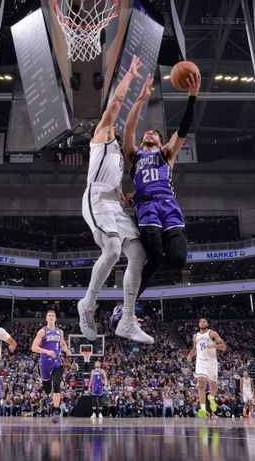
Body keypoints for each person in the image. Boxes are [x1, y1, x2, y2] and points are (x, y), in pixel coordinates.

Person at [77, 55, 153, 345]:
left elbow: (119, 194)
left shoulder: (119, 157)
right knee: (110, 250)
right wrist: (131, 77)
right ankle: (87, 305)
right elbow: (115, 104)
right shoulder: (101, 136)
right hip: (95, 197)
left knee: (138, 254)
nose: (116, 125)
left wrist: (127, 201)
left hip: (112, 203)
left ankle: (127, 320)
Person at [121, 67, 201, 299]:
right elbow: (128, 129)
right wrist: (140, 99)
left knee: (176, 259)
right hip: (146, 208)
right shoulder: (133, 156)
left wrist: (192, 98)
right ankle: (129, 303)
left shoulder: (166, 154)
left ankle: (139, 285)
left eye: (154, 133)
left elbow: (184, 129)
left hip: (168, 205)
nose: (148, 133)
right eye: (146, 133)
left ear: (160, 140)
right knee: (155, 256)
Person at [31, 310, 72, 424]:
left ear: (55, 318)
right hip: (44, 364)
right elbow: (34, 347)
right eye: (49, 315)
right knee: (48, 389)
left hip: (56, 363)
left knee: (57, 385)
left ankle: (55, 411)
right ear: (46, 318)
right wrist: (47, 352)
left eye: (53, 315)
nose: (51, 317)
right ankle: (50, 398)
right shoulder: (42, 331)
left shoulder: (60, 332)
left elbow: (62, 344)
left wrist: (67, 350)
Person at [186, 318, 226, 419]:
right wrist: (190, 355)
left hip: (211, 361)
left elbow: (223, 347)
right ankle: (203, 409)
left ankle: (211, 398)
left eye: (204, 321)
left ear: (208, 323)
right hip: (200, 361)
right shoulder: (196, 336)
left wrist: (214, 346)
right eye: (200, 321)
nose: (202, 322)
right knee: (201, 384)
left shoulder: (212, 333)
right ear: (198, 324)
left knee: (213, 385)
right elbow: (195, 349)